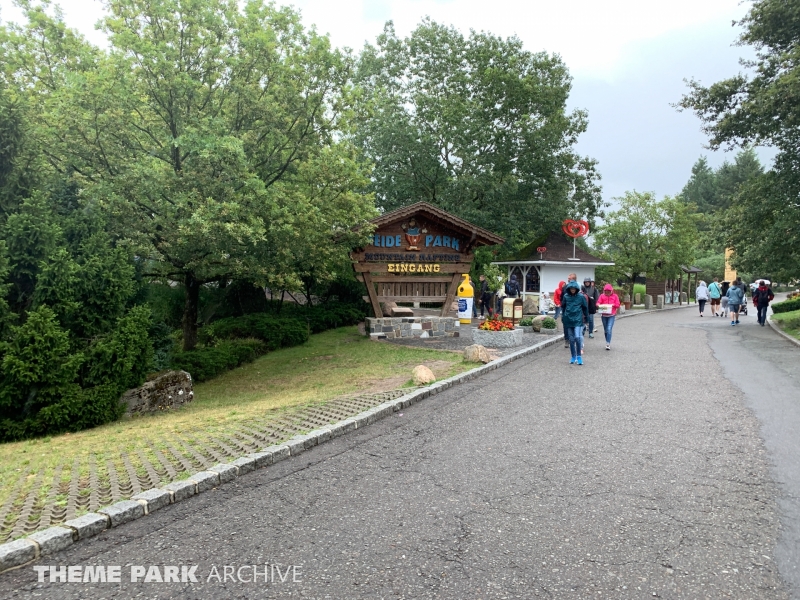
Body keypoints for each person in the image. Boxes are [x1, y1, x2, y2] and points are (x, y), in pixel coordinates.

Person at [562, 281, 589, 365]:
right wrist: (563, 317)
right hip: (569, 320)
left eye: (574, 288)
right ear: (569, 289)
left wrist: (587, 318)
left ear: (576, 289)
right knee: (571, 339)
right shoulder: (566, 296)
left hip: (578, 320)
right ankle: (573, 356)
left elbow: (585, 308)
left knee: (577, 337)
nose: (573, 290)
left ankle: (579, 356)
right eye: (571, 288)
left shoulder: (581, 297)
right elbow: (563, 307)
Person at [598, 284, 621, 350]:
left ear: (611, 291)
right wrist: (599, 305)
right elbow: (598, 302)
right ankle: (607, 340)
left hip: (611, 315)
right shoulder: (602, 296)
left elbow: (618, 304)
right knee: (606, 330)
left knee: (609, 329)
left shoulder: (615, 296)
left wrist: (613, 305)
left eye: (608, 291)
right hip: (604, 315)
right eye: (606, 291)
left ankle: (608, 343)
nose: (607, 293)